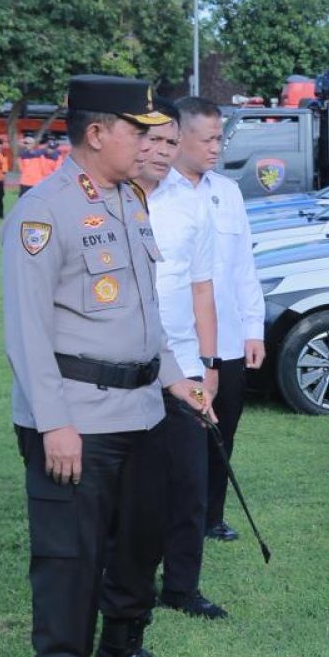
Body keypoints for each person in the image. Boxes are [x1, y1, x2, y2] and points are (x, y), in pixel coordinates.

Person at [2, 75, 210, 657]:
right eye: (136, 128)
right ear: (98, 133)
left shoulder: (130, 200)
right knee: (70, 557)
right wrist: (54, 421)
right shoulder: (45, 211)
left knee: (137, 543)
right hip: (79, 417)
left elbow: (145, 313)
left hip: (145, 409)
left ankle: (121, 650)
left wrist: (178, 377)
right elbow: (27, 332)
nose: (149, 141)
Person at [131, 97, 227, 620]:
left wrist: (208, 366)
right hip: (122, 365)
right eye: (153, 141)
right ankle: (126, 577)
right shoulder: (105, 198)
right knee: (129, 486)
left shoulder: (190, 204)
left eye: (171, 142)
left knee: (189, 480)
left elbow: (202, 290)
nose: (162, 152)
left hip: (184, 362)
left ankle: (183, 585)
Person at [171, 96, 267, 546]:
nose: (216, 148)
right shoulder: (156, 192)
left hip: (227, 337)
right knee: (177, 438)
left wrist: (254, 328)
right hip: (176, 343)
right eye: (207, 139)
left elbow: (243, 267)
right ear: (179, 136)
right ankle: (177, 516)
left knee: (222, 432)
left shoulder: (226, 192)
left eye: (219, 138)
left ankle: (212, 515)